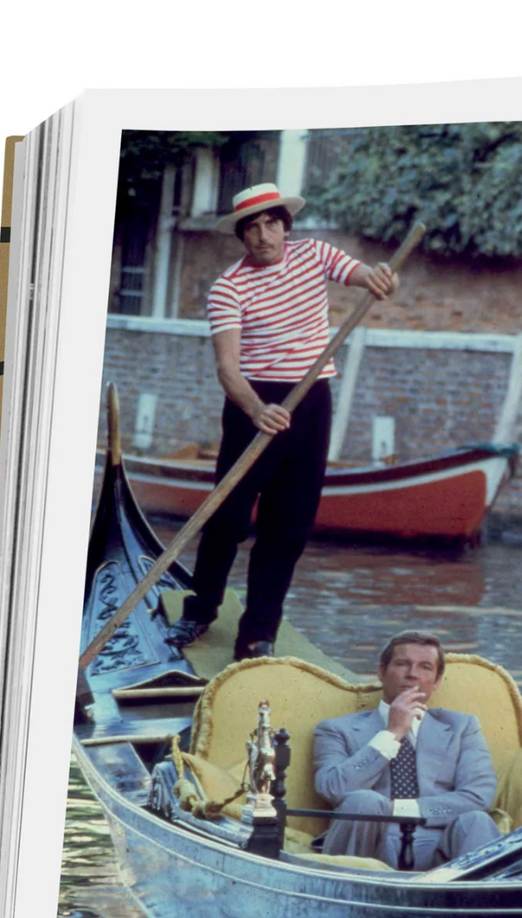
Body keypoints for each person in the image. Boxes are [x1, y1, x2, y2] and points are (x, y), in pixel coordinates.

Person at [165, 185, 401, 659]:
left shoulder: (314, 254)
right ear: (241, 236)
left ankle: (257, 633)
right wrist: (256, 410)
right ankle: (201, 609)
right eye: (251, 227)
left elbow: (361, 275)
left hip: (312, 401)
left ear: (285, 226)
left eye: (271, 223)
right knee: (227, 519)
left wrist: (380, 279)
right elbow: (228, 368)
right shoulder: (228, 287)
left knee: (288, 526)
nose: (263, 235)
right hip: (254, 403)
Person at [313, 631, 500, 870]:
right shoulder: (336, 729)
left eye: (425, 667)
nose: (412, 674)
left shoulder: (462, 727)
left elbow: (477, 797)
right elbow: (333, 788)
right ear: (381, 671)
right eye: (402, 664)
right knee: (363, 800)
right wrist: (392, 733)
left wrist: (397, 809)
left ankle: (479, 902)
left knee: (476, 821)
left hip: (441, 843)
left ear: (437, 680)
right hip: (366, 845)